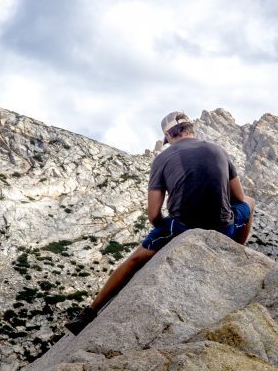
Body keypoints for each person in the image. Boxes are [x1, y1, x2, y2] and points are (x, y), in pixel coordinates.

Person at [64, 111, 254, 335]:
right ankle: (236, 251)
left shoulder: (162, 159)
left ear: (168, 135)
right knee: (250, 203)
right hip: (223, 226)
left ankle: (88, 314)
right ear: (190, 129)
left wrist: (165, 227)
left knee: (135, 259)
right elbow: (240, 198)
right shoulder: (219, 150)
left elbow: (153, 213)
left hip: (181, 227)